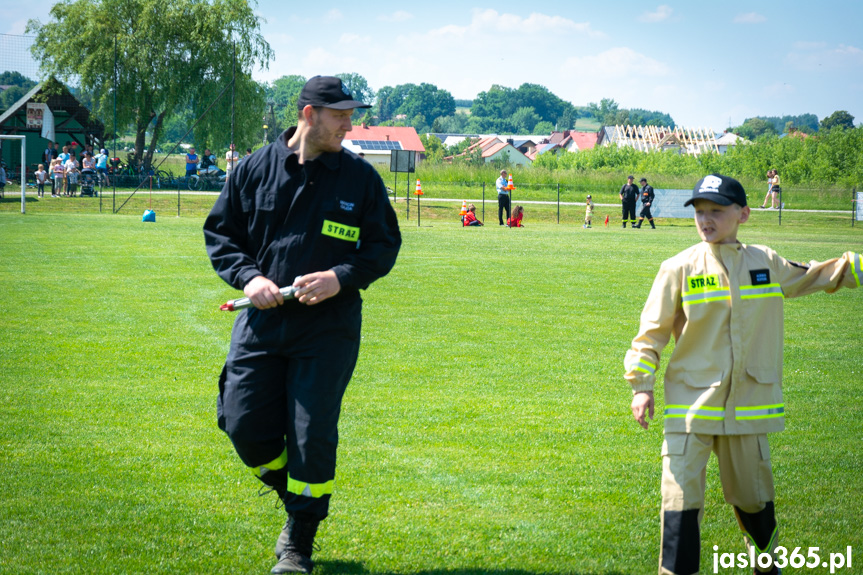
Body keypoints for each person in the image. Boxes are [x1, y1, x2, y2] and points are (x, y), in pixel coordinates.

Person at [203, 75, 401, 575]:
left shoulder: (361, 179)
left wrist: (340, 277)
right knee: (244, 424)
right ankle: (294, 489)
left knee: (312, 434)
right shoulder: (253, 169)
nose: (349, 125)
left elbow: (383, 247)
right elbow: (222, 236)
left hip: (327, 330)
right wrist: (248, 280)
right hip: (261, 326)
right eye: (341, 116)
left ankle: (299, 543)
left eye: (351, 115)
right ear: (309, 115)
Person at [624, 174, 861, 575]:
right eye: (700, 211)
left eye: (716, 210)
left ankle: (766, 567)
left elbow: (816, 275)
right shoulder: (677, 268)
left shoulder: (765, 262)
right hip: (690, 408)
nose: (706, 219)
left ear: (743, 214)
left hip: (748, 408)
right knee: (679, 502)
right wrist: (641, 387)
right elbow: (651, 333)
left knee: (754, 501)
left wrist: (854, 265)